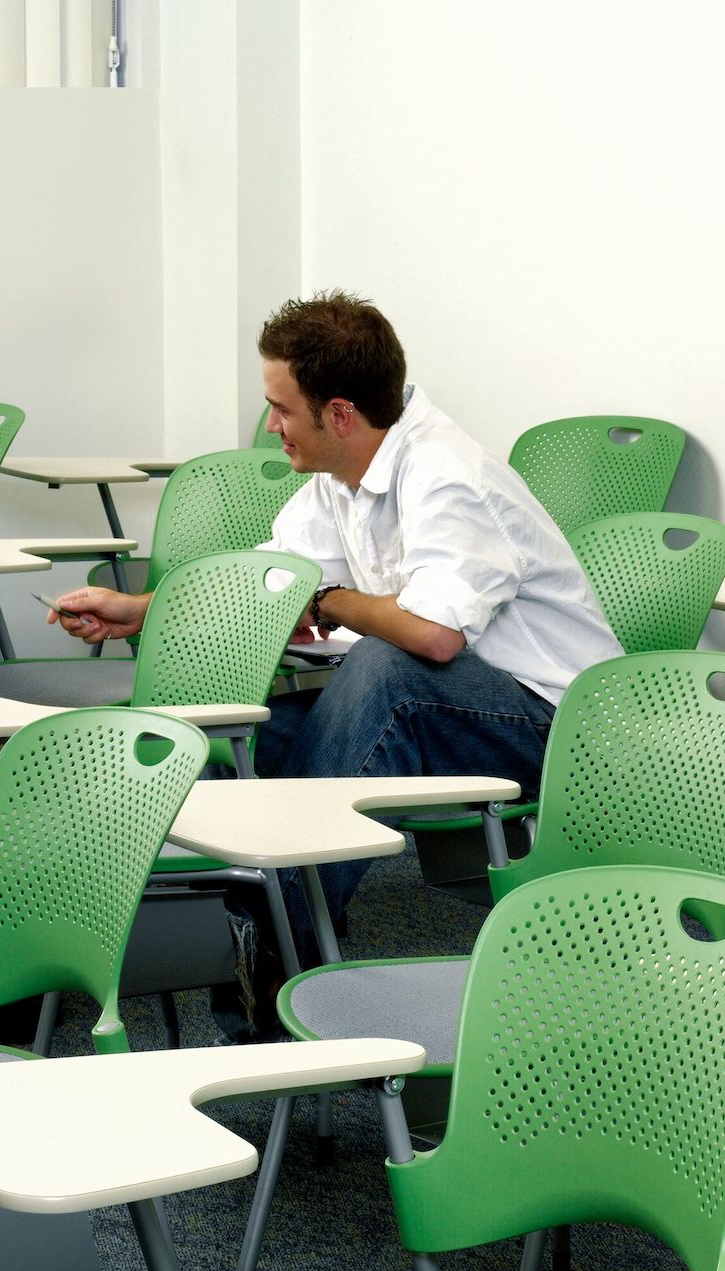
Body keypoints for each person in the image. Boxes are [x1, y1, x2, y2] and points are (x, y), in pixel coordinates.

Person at [48, 289, 621, 971]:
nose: (269, 426)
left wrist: (332, 602)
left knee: (386, 671)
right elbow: (276, 581)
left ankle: (274, 951)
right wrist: (140, 608)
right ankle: (166, 931)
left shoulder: (447, 476)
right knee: (251, 736)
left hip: (556, 726)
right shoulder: (341, 476)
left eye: (282, 408)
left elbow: (433, 637)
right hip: (456, 708)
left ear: (340, 414)